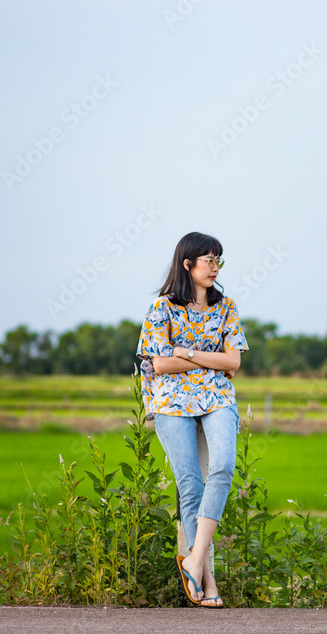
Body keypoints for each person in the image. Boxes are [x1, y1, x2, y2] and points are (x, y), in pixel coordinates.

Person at [136, 231, 248, 608]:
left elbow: (234, 362)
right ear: (188, 264)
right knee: (189, 482)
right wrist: (207, 356)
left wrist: (184, 352)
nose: (215, 267)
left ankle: (195, 557)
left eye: (219, 260)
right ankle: (207, 575)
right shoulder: (162, 308)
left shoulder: (226, 307)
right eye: (208, 260)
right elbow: (156, 364)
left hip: (217, 397)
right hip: (170, 401)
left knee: (223, 466)